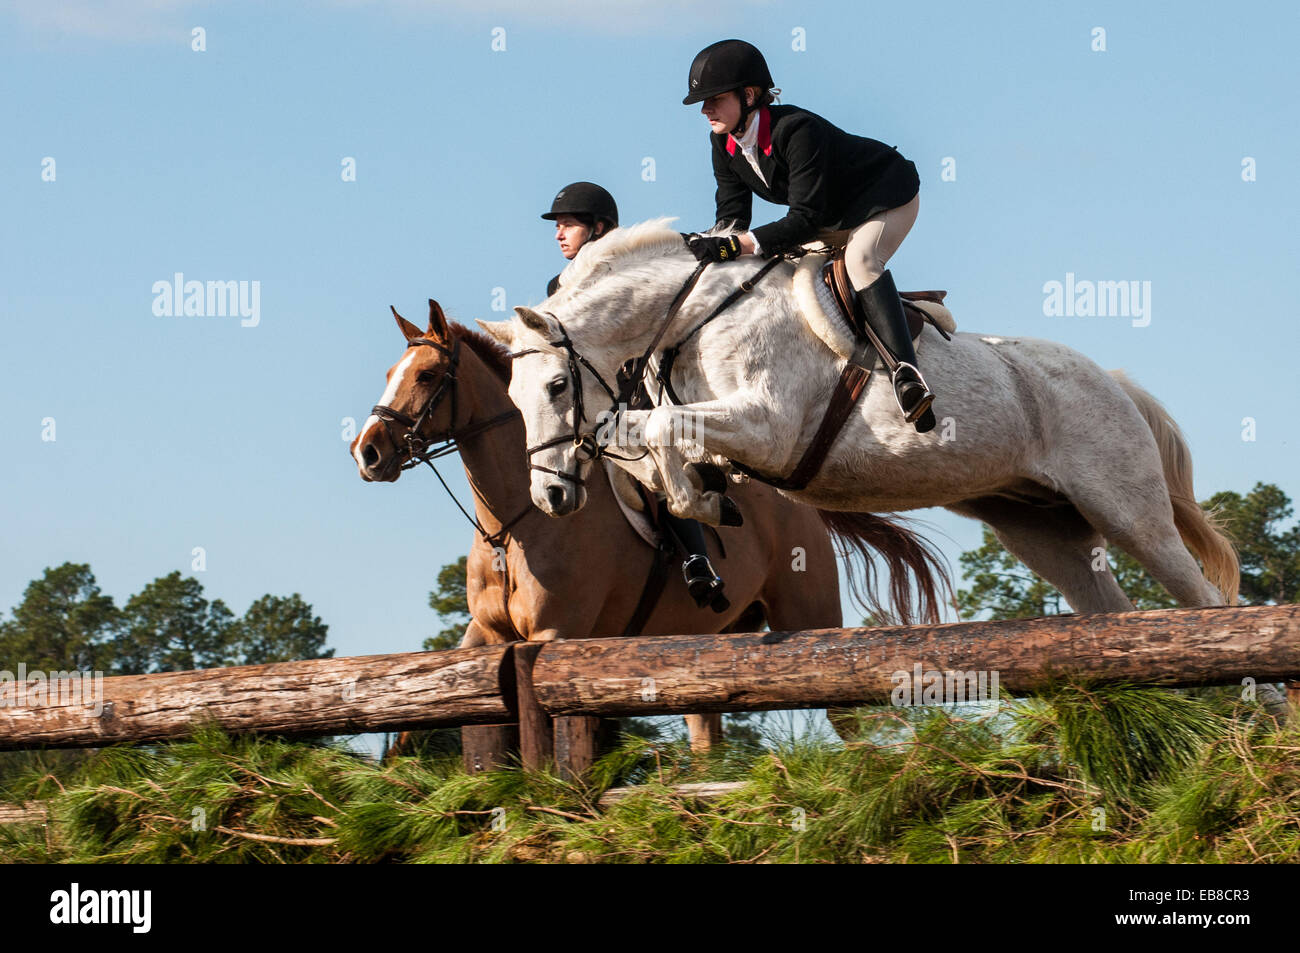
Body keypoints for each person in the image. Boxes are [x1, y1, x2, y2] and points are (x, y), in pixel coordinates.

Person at [680, 39, 936, 432]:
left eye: (714, 98)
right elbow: (732, 221)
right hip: (828, 218)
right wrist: (703, 244)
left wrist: (738, 244)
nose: (705, 109)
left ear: (749, 95)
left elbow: (803, 218)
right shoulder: (723, 142)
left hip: (885, 196)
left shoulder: (797, 130)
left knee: (861, 262)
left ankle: (907, 376)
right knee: (784, 278)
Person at [540, 183, 730, 611]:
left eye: (568, 224)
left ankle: (697, 560)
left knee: (648, 461)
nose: (558, 233)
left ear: (600, 227)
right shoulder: (558, 285)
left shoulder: (630, 273)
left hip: (642, 393)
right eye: (558, 225)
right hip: (588, 403)